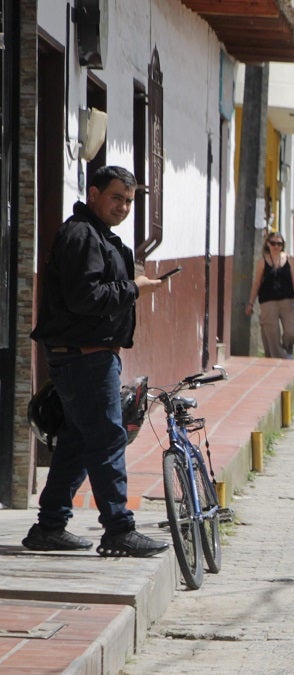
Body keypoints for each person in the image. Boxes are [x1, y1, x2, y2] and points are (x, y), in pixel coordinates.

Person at [24, 165, 169, 557]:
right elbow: (85, 298)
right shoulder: (82, 235)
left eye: (129, 201)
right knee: (107, 438)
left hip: (88, 356)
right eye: (116, 197)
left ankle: (50, 525)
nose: (122, 206)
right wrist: (133, 288)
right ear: (93, 193)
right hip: (84, 359)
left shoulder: (97, 236)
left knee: (77, 441)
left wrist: (129, 285)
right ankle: (119, 530)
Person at [245, 232, 294, 358]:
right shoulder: (263, 261)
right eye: (273, 243)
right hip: (268, 301)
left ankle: (287, 350)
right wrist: (251, 303)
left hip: (287, 300)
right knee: (272, 333)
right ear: (267, 244)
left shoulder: (289, 259)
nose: (276, 246)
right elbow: (257, 283)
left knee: (291, 331)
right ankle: (279, 359)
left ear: (283, 245)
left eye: (279, 244)